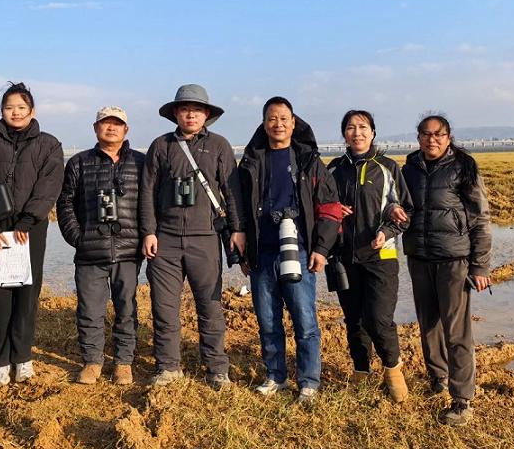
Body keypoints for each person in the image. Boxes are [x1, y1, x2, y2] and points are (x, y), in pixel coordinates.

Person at [139, 84, 246, 389]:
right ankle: (168, 367)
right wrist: (148, 231)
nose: (191, 115)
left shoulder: (219, 145)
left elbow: (232, 191)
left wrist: (238, 229)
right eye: (185, 109)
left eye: (197, 110)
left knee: (209, 305)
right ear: (175, 113)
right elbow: (147, 192)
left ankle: (216, 368)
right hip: (166, 240)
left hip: (206, 238)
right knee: (164, 307)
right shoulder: (161, 146)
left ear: (206, 114)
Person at [239, 97, 341, 404]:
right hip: (262, 253)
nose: (278, 124)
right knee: (267, 321)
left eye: (284, 118)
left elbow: (329, 207)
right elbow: (240, 210)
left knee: (305, 320)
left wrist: (321, 248)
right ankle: (276, 376)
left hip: (299, 251)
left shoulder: (308, 160)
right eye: (272, 118)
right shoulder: (251, 162)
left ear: (294, 123)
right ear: (264, 123)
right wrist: (243, 252)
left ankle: (308, 381)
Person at [0, 82, 64, 388]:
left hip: (30, 230)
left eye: (21, 107)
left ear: (32, 110)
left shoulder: (49, 145)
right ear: (1, 111)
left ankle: (23, 357)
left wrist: (27, 221)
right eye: (9, 107)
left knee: (27, 294)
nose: (15, 112)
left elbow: (49, 185)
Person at [400, 114, 492, 426]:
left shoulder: (464, 167)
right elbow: (401, 207)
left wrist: (480, 265)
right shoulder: (409, 169)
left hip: (454, 260)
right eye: (426, 134)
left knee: (456, 330)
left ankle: (462, 399)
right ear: (418, 138)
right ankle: (437, 378)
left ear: (448, 137)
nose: (432, 140)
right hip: (419, 257)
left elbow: (480, 218)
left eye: (438, 134)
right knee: (428, 325)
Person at [327, 110, 414, 402]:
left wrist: (387, 229)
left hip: (381, 256)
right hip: (344, 257)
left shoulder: (387, 167)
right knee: (354, 319)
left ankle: (393, 369)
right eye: (351, 128)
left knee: (379, 318)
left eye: (363, 127)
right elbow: (320, 206)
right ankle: (361, 371)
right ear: (344, 134)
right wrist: (333, 210)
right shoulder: (334, 169)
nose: (357, 133)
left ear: (373, 133)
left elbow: (405, 211)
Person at [57, 106, 144, 386]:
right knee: (89, 310)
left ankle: (123, 362)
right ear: (95, 128)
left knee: (126, 309)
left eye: (117, 123)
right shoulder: (79, 163)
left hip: (129, 250)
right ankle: (92, 361)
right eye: (105, 123)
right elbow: (65, 203)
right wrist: (77, 238)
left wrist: (144, 237)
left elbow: (150, 203)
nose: (111, 128)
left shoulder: (140, 162)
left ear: (126, 130)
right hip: (89, 252)